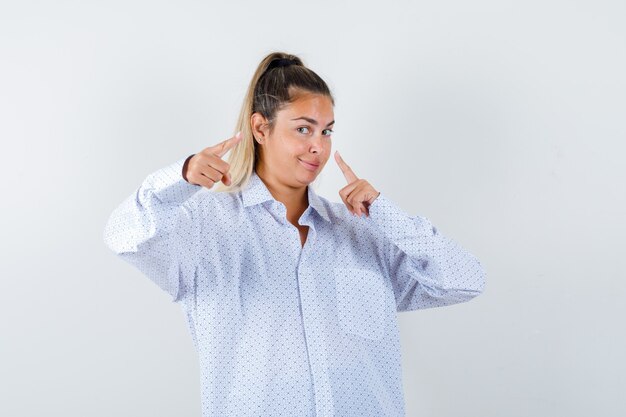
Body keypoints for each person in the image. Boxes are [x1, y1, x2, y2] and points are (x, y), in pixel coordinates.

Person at [103, 51, 486, 417]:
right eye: (303, 129)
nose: (317, 146)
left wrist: (385, 213)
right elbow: (124, 236)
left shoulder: (362, 232)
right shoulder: (207, 226)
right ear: (260, 128)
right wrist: (180, 178)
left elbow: (465, 280)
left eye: (327, 131)